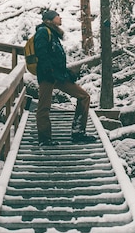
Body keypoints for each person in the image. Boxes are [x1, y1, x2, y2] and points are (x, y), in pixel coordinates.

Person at [34, 9, 95, 146]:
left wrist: (67, 72)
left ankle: (78, 132)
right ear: (50, 19)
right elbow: (41, 53)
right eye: (57, 16)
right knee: (44, 107)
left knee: (84, 96)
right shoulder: (43, 32)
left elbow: (55, 58)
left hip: (59, 75)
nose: (60, 18)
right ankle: (44, 139)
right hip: (47, 76)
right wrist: (48, 70)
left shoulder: (53, 34)